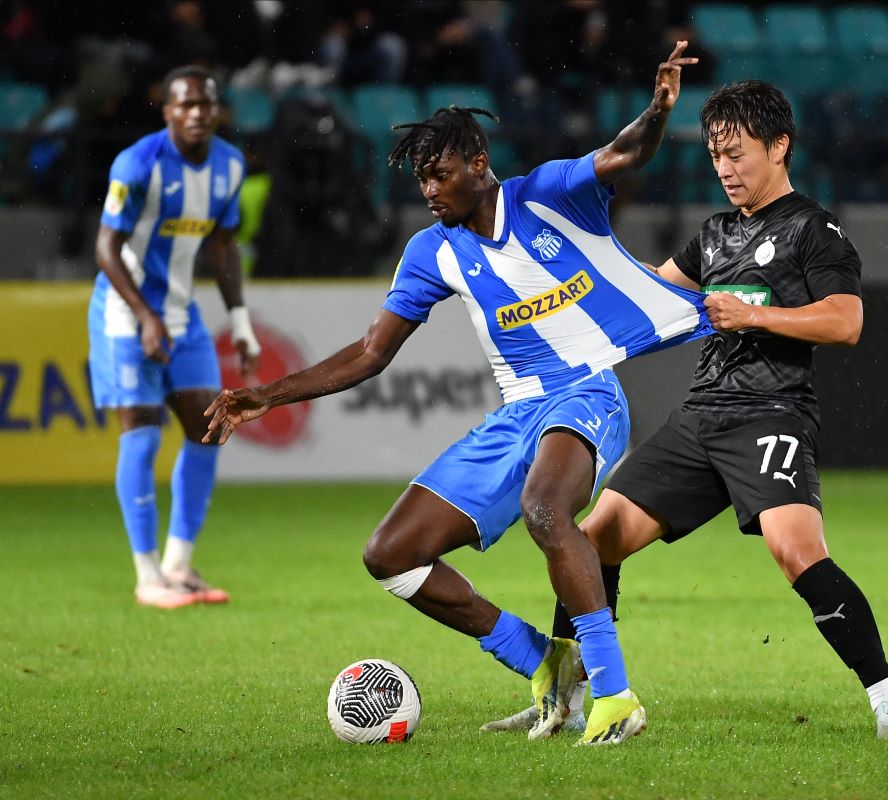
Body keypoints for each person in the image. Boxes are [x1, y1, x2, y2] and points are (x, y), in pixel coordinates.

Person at [204, 44, 708, 746]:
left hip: (588, 392)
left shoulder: (547, 193)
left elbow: (623, 154)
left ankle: (614, 695)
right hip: (516, 414)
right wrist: (269, 394)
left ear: (478, 162)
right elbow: (371, 352)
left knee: (544, 507)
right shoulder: (431, 251)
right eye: (420, 182)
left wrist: (656, 112)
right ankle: (540, 664)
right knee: (390, 553)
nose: (429, 192)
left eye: (438, 175)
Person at [483, 80, 888, 740]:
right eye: (716, 154)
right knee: (594, 535)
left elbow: (846, 320)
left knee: (795, 550)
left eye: (737, 153)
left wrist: (754, 314)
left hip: (771, 412)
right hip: (698, 419)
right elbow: (647, 297)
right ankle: (570, 699)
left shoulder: (813, 229)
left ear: (780, 147)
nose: (724, 168)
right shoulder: (713, 235)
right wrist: (562, 286)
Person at [89, 65, 261, 610]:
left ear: (217, 110)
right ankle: (146, 578)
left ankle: (178, 565)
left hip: (183, 318)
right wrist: (143, 314)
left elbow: (224, 248)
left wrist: (240, 324)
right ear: (166, 112)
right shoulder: (137, 163)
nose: (197, 113)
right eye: (185, 105)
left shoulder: (229, 165)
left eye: (206, 104)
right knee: (141, 433)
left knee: (210, 430)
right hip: (124, 313)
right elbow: (106, 249)